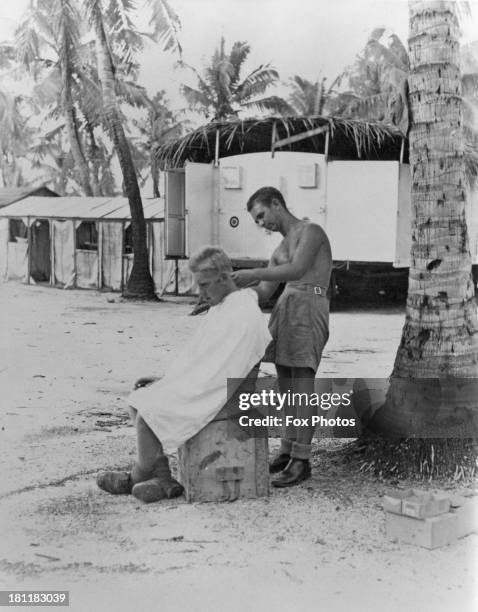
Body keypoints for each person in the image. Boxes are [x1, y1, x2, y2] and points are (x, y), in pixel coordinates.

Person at [97, 246, 271, 503]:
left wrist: (178, 389)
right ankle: (163, 477)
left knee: (148, 415)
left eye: (205, 285)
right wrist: (168, 381)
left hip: (229, 395)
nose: (200, 293)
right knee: (139, 397)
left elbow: (223, 371)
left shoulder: (243, 314)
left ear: (225, 277)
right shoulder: (224, 306)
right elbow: (202, 360)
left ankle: (136, 477)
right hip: (212, 385)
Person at [232, 186, 332, 487]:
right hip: (284, 309)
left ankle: (302, 460)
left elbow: (298, 269)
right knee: (286, 384)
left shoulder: (310, 231)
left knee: (302, 382)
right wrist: (225, 293)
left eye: (262, 215)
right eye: (257, 221)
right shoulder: (278, 251)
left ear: (277, 204)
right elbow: (263, 292)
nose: (262, 224)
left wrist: (252, 273)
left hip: (308, 304)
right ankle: (287, 450)